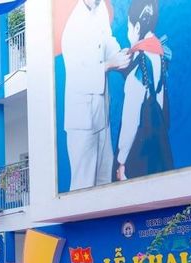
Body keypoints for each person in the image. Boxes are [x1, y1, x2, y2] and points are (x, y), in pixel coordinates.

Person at [61, 0, 131, 190]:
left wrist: (119, 54)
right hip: (81, 120)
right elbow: (77, 75)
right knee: (83, 184)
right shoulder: (73, 26)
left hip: (101, 113)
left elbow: (107, 39)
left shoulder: (100, 10)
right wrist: (110, 64)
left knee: (104, 178)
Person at [116, 0, 172, 181]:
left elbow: (130, 120)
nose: (128, 33)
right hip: (158, 150)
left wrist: (121, 161)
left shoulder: (138, 68)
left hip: (137, 156)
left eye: (129, 28)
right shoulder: (160, 55)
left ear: (137, 27)